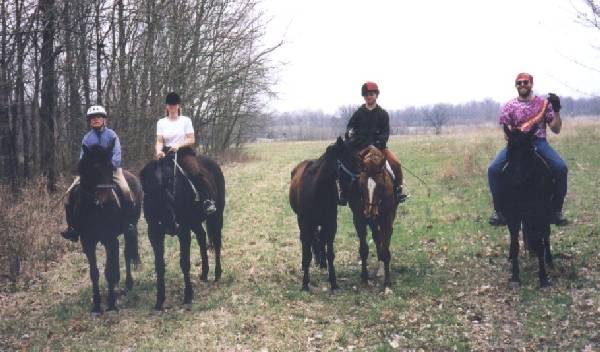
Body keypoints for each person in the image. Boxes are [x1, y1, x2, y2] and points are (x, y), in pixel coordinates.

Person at [488, 72, 568, 226]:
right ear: (516, 85)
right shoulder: (509, 106)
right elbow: (507, 132)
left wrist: (556, 110)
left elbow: (556, 129)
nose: (522, 85)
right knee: (493, 170)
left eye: (526, 82)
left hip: (538, 142)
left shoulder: (543, 104)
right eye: (519, 83)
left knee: (561, 168)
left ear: (531, 84)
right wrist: (516, 140)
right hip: (517, 144)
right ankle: (499, 211)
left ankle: (556, 210)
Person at [61, 105, 135, 242]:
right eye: (92, 118)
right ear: (90, 121)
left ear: (104, 120)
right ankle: (73, 227)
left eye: (98, 118)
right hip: (92, 173)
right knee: (69, 193)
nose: (95, 120)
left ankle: (129, 222)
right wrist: (87, 169)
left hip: (111, 170)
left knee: (125, 189)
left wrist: (108, 166)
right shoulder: (87, 138)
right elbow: (83, 157)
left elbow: (117, 155)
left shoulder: (112, 135)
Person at [341, 81, 407, 205]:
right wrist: (350, 133)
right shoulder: (358, 113)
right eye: (366, 94)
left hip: (379, 148)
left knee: (396, 163)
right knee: (345, 165)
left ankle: (398, 190)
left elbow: (385, 133)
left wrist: (377, 144)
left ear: (376, 95)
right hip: (361, 149)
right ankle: (344, 193)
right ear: (364, 96)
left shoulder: (383, 114)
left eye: (371, 94)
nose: (369, 96)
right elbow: (350, 127)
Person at [155, 92, 217, 219]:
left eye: (174, 104)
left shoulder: (185, 120)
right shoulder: (161, 122)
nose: (172, 107)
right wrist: (158, 151)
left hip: (184, 152)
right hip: (167, 153)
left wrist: (178, 145)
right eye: (170, 105)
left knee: (195, 171)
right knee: (153, 175)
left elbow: (191, 139)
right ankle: (155, 208)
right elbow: (160, 140)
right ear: (167, 106)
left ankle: (207, 200)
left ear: (178, 106)